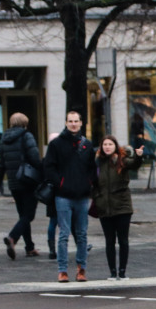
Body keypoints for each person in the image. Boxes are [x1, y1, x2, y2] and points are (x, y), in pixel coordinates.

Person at [43, 110, 98, 283]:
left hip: (82, 196)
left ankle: (81, 269)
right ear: (66, 123)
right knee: (64, 234)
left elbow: (92, 168)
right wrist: (60, 183)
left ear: (81, 123)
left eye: (76, 121)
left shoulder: (87, 145)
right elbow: (48, 167)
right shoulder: (57, 144)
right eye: (70, 121)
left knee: (82, 234)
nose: (73, 124)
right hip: (63, 196)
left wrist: (89, 183)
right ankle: (62, 270)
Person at [0, 112, 43, 260]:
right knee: (29, 215)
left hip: (14, 183)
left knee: (23, 215)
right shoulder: (27, 136)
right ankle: (13, 237)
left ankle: (29, 247)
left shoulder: (4, 139)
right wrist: (43, 173)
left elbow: (1, 165)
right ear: (25, 123)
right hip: (28, 181)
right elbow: (34, 157)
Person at [92, 135, 143, 280]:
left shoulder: (121, 160)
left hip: (122, 207)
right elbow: (93, 182)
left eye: (110, 144)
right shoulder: (97, 163)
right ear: (101, 147)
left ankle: (122, 271)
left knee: (123, 240)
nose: (107, 147)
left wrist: (138, 157)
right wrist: (97, 197)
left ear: (115, 146)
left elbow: (134, 164)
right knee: (109, 241)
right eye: (105, 144)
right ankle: (112, 272)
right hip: (104, 207)